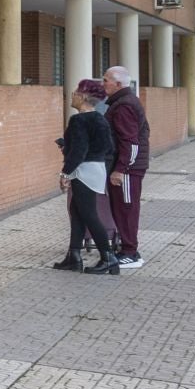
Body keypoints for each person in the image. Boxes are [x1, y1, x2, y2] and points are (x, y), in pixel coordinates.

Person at [55, 79, 119, 275]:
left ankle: (108, 257)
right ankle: (73, 256)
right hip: (97, 170)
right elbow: (109, 147)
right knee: (77, 212)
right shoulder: (100, 119)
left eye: (75, 92)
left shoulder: (78, 120)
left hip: (83, 171)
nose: (72, 95)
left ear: (82, 96)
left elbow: (79, 151)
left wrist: (65, 173)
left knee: (89, 214)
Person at [100, 65, 151, 269]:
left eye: (106, 80)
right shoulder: (122, 102)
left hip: (127, 170)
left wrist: (121, 169)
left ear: (118, 84)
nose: (102, 84)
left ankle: (130, 252)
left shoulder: (124, 106)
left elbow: (130, 142)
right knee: (121, 209)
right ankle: (126, 249)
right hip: (126, 167)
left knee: (126, 209)